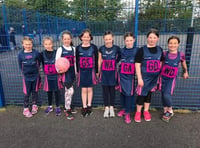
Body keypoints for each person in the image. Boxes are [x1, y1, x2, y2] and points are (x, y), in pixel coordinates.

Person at [134, 29, 163, 123]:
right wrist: (139, 78)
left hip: (154, 78)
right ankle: (138, 112)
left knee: (149, 94)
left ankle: (146, 111)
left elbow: (161, 62)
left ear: (157, 38)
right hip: (144, 78)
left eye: (154, 37)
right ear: (147, 38)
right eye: (150, 37)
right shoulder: (142, 50)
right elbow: (137, 64)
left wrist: (157, 72)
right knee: (141, 95)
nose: (152, 39)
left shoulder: (160, 50)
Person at [160, 36, 189, 122]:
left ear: (178, 44)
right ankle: (165, 110)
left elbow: (184, 64)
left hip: (171, 79)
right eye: (171, 43)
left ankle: (170, 110)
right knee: (163, 95)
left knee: (167, 94)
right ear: (168, 44)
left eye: (175, 43)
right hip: (163, 77)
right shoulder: (165, 54)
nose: (172, 45)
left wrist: (185, 71)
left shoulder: (181, 55)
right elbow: (161, 64)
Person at [76, 29, 98, 117]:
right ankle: (84, 106)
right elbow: (77, 60)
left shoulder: (94, 47)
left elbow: (96, 60)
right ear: (81, 38)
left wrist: (96, 71)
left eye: (87, 37)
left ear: (90, 38)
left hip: (91, 71)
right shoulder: (78, 48)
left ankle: (89, 106)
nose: (86, 38)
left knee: (90, 89)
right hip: (82, 72)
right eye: (84, 37)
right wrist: (77, 71)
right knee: (84, 89)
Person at [98, 31, 120, 118]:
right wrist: (98, 72)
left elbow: (120, 57)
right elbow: (99, 60)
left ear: (113, 38)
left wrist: (115, 62)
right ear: (104, 39)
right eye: (106, 39)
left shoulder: (116, 48)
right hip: (104, 73)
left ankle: (112, 107)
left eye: (110, 39)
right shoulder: (101, 49)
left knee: (112, 91)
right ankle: (106, 107)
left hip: (113, 73)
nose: (108, 41)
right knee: (105, 91)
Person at [18, 36, 41, 118]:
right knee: (27, 93)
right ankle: (26, 108)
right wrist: (24, 72)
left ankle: (35, 105)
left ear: (32, 44)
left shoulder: (36, 53)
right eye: (26, 44)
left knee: (35, 91)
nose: (28, 46)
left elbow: (39, 62)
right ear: (23, 44)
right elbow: (20, 65)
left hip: (35, 76)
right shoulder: (20, 54)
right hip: (26, 77)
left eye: (30, 44)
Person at [117, 32, 138, 124]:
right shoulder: (121, 51)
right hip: (122, 75)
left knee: (129, 93)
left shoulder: (137, 50)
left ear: (134, 40)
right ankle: (124, 108)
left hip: (130, 76)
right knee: (122, 92)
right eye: (127, 40)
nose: (129, 42)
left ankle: (128, 112)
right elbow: (116, 60)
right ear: (124, 41)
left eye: (130, 40)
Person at [56, 30, 76, 120]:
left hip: (72, 73)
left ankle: (66, 107)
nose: (67, 40)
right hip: (65, 74)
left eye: (68, 39)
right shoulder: (60, 49)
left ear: (71, 39)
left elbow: (75, 62)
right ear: (62, 39)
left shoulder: (73, 49)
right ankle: (68, 109)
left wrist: (76, 71)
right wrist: (59, 70)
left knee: (68, 92)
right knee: (70, 91)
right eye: (65, 39)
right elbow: (57, 62)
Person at [41, 37, 61, 116]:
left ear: (52, 44)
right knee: (49, 92)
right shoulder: (42, 54)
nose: (48, 46)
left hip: (56, 76)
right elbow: (42, 63)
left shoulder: (56, 53)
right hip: (48, 76)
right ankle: (49, 106)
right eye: (46, 44)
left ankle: (57, 106)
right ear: (43, 45)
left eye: (49, 44)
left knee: (56, 92)